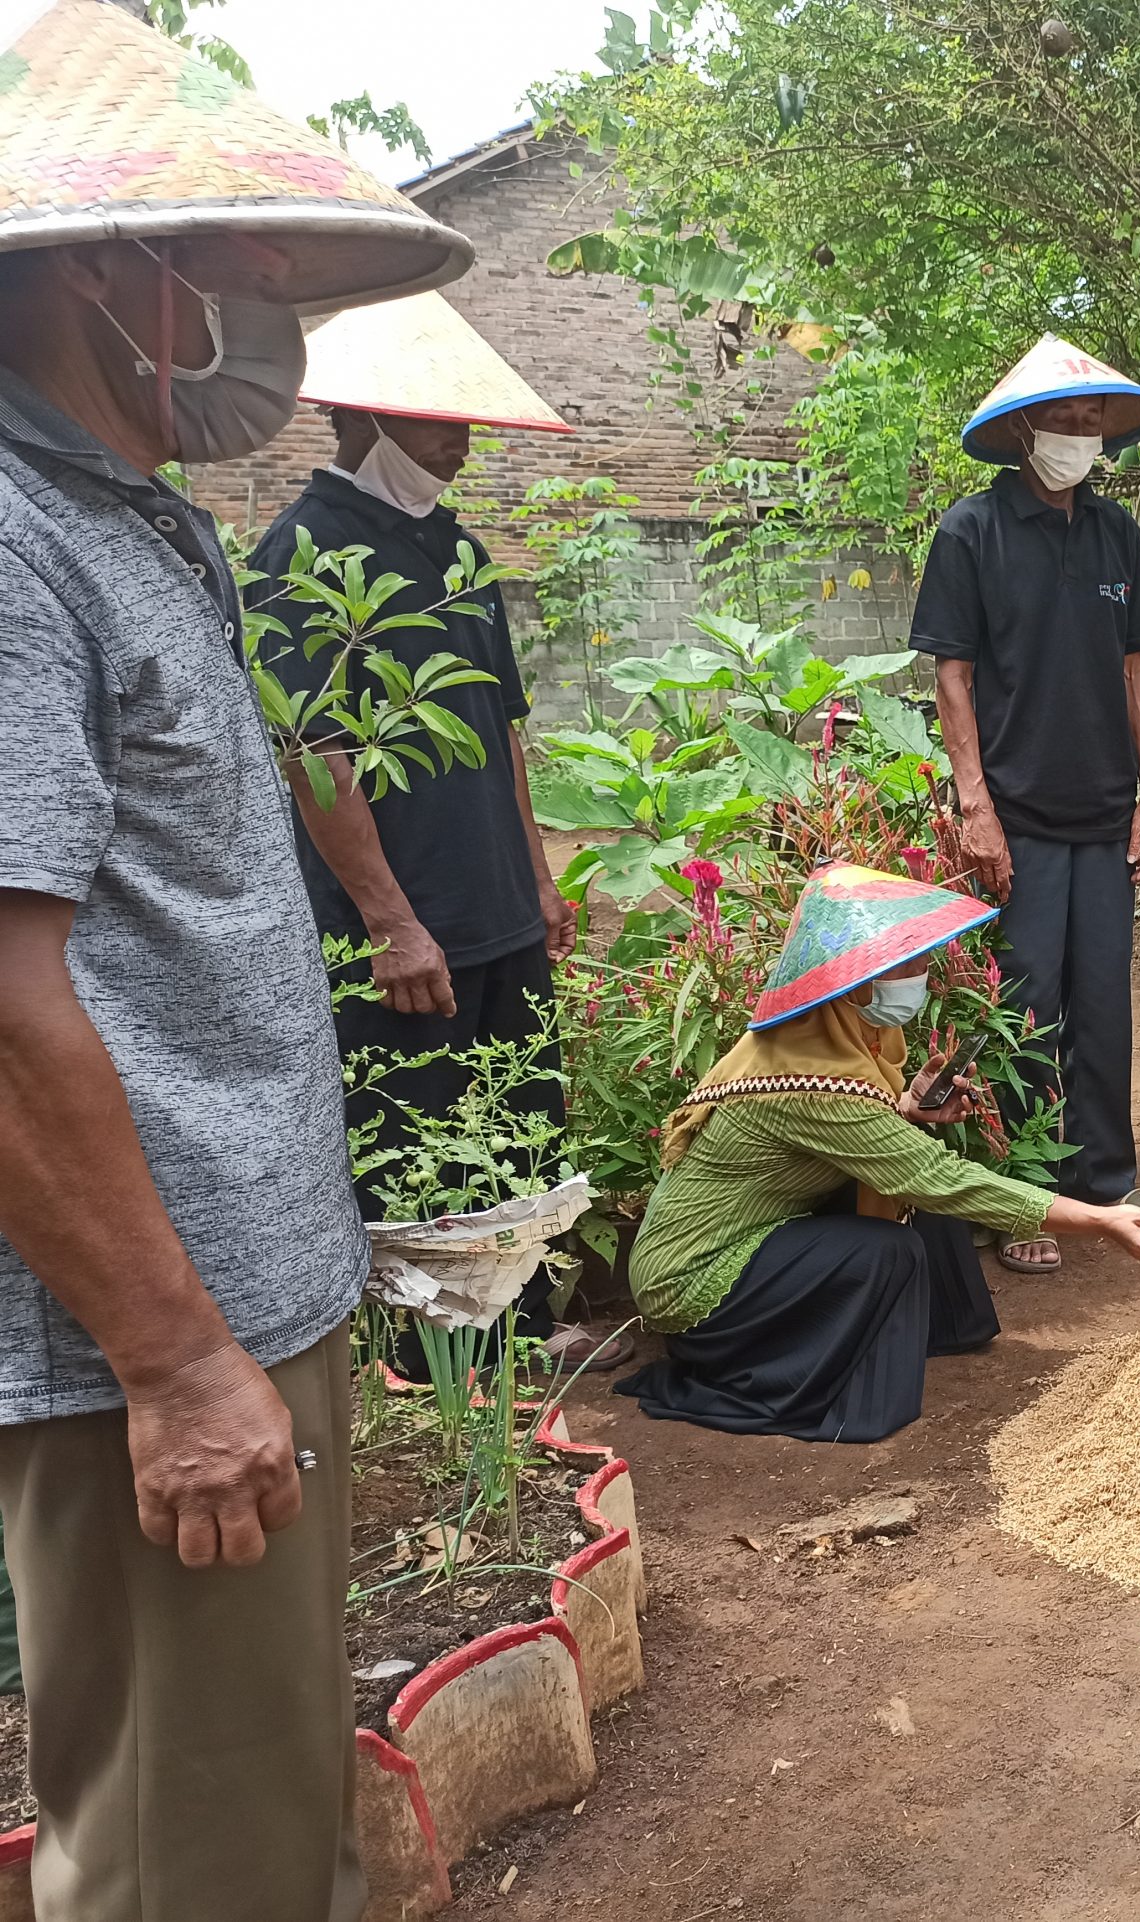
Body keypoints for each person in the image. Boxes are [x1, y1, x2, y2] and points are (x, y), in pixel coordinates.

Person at [0, 5, 472, 1915]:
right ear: (115, 272)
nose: (270, 309)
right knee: (191, 1856)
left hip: (238, 1289)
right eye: (246, 264)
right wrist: (179, 1356)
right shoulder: (16, 546)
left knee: (265, 1809)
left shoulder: (141, 527)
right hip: (156, 1331)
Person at [247, 291, 624, 1371]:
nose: (457, 444)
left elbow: (503, 724)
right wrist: (389, 920)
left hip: (497, 905)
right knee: (418, 1128)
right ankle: (435, 1362)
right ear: (359, 418)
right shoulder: (302, 557)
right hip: (406, 924)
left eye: (465, 422)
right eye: (433, 422)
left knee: (519, 1111)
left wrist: (540, 875)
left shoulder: (458, 551)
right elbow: (312, 753)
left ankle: (524, 1329)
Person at [619, 863, 1140, 1443]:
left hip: (758, 1231)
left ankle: (943, 1327)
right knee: (884, 1248)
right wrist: (1099, 1219)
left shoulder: (814, 1038)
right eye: (904, 964)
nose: (919, 975)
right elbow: (937, 1176)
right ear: (853, 981)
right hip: (692, 1280)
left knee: (912, 1175)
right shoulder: (807, 1082)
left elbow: (861, 1145)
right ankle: (809, 1383)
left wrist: (906, 1114)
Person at [910, 334, 1140, 1274]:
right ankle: (1028, 1191)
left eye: (1091, 421)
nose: (1080, 434)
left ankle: (1107, 1179)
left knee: (1104, 1000)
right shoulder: (971, 534)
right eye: (1063, 420)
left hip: (1106, 810)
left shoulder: (1115, 535)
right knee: (1027, 1005)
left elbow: (1132, 667)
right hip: (1017, 814)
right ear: (1023, 430)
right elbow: (954, 678)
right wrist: (974, 806)